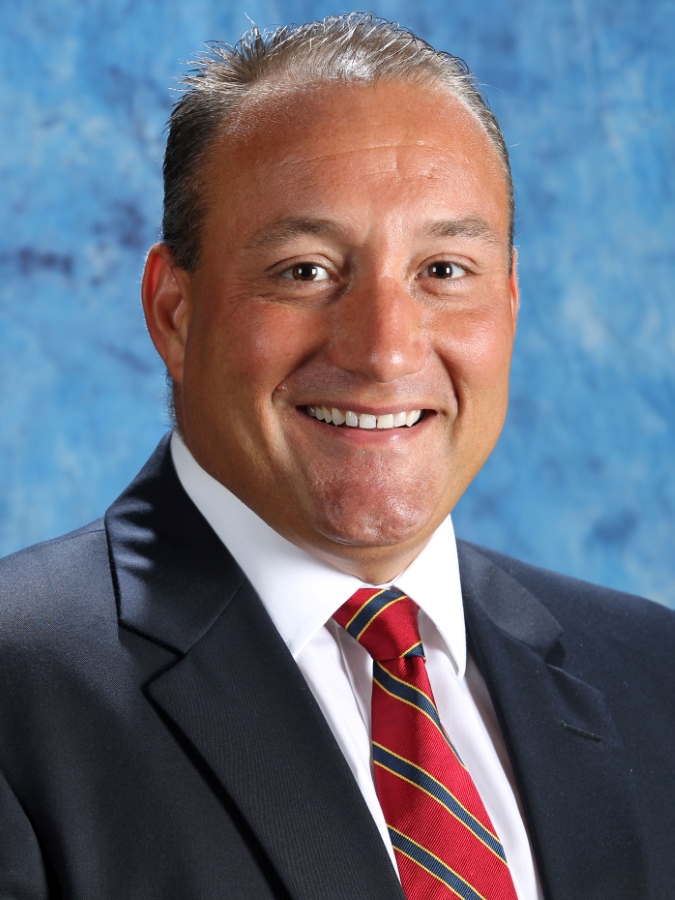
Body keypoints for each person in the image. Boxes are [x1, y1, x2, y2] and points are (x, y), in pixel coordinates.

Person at [0, 13, 673, 900]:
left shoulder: (653, 675)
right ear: (173, 311)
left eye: (443, 270)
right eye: (305, 271)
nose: (386, 351)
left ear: (509, 301)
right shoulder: (19, 692)